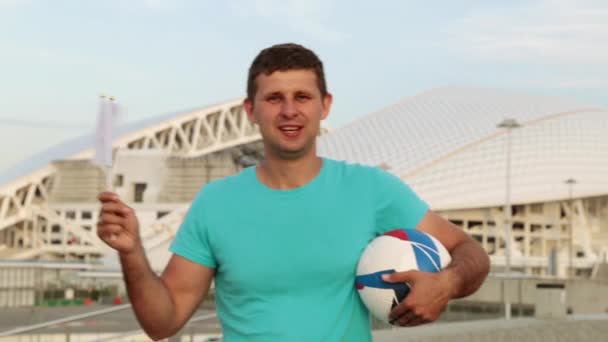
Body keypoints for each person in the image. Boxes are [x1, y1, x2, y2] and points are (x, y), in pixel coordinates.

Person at [97, 43, 490, 341]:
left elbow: (469, 252)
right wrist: (132, 254)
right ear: (250, 110)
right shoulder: (216, 203)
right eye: (274, 98)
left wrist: (446, 283)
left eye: (302, 97)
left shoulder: (372, 189)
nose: (289, 111)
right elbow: (162, 322)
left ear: (325, 105)